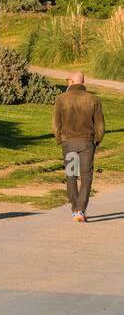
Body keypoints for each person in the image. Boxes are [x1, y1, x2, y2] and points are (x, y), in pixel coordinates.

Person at [52, 72, 106, 222]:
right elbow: (100, 125)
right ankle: (81, 209)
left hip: (68, 143)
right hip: (87, 143)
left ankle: (75, 209)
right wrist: (97, 140)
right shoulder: (93, 99)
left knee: (71, 175)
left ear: (71, 82)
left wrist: (59, 139)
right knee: (86, 175)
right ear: (83, 82)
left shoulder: (61, 99)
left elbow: (56, 124)